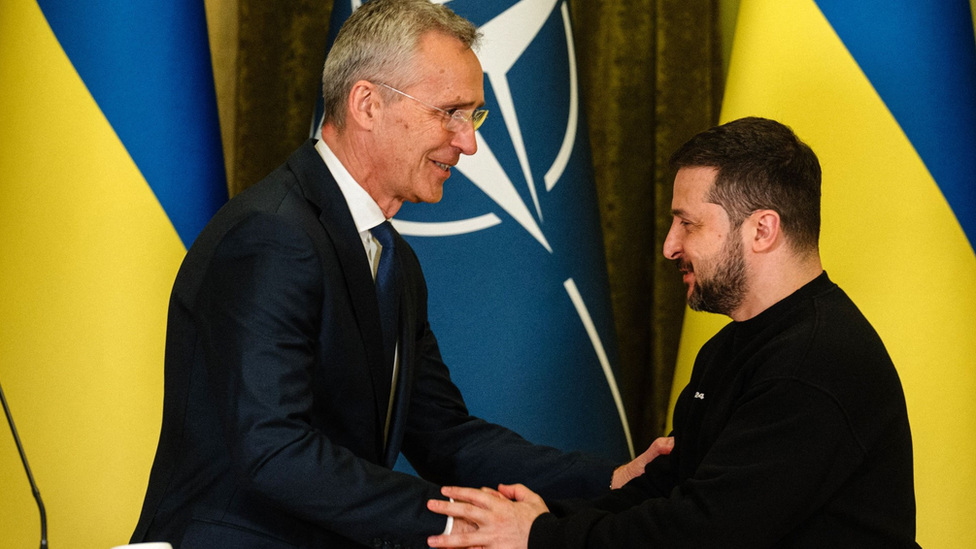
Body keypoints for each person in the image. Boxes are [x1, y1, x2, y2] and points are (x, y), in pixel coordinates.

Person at [129, 1, 667, 548]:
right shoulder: (272, 236)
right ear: (367, 104)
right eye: (449, 112)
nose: (469, 141)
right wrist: (459, 524)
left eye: (473, 115)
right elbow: (275, 449)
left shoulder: (391, 258)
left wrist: (608, 481)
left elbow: (443, 437)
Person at [427, 117, 921, 548]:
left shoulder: (817, 364)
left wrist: (539, 535)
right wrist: (532, 519)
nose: (669, 246)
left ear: (762, 230)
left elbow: (703, 533)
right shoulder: (731, 346)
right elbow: (662, 493)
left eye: (688, 224)